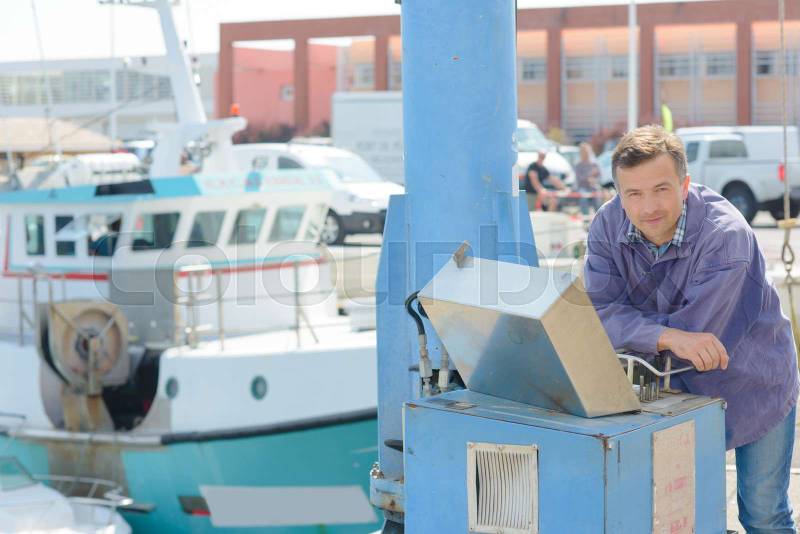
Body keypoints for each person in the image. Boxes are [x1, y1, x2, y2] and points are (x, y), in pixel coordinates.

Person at [584, 124, 799, 533]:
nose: (649, 207)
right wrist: (667, 336)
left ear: (684, 185)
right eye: (633, 193)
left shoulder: (726, 237)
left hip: (754, 381)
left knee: (763, 513)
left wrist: (640, 331)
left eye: (661, 189)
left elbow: (698, 338)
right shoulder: (607, 225)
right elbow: (597, 312)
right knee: (681, 514)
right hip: (670, 392)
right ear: (618, 193)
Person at [573, 142, 602, 216]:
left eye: (586, 151)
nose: (585, 153)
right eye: (583, 152)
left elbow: (599, 177)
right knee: (584, 197)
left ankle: (599, 216)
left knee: (598, 196)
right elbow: (579, 179)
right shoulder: (578, 165)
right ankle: (585, 217)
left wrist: (594, 180)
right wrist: (589, 176)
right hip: (583, 187)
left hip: (593, 187)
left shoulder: (594, 164)